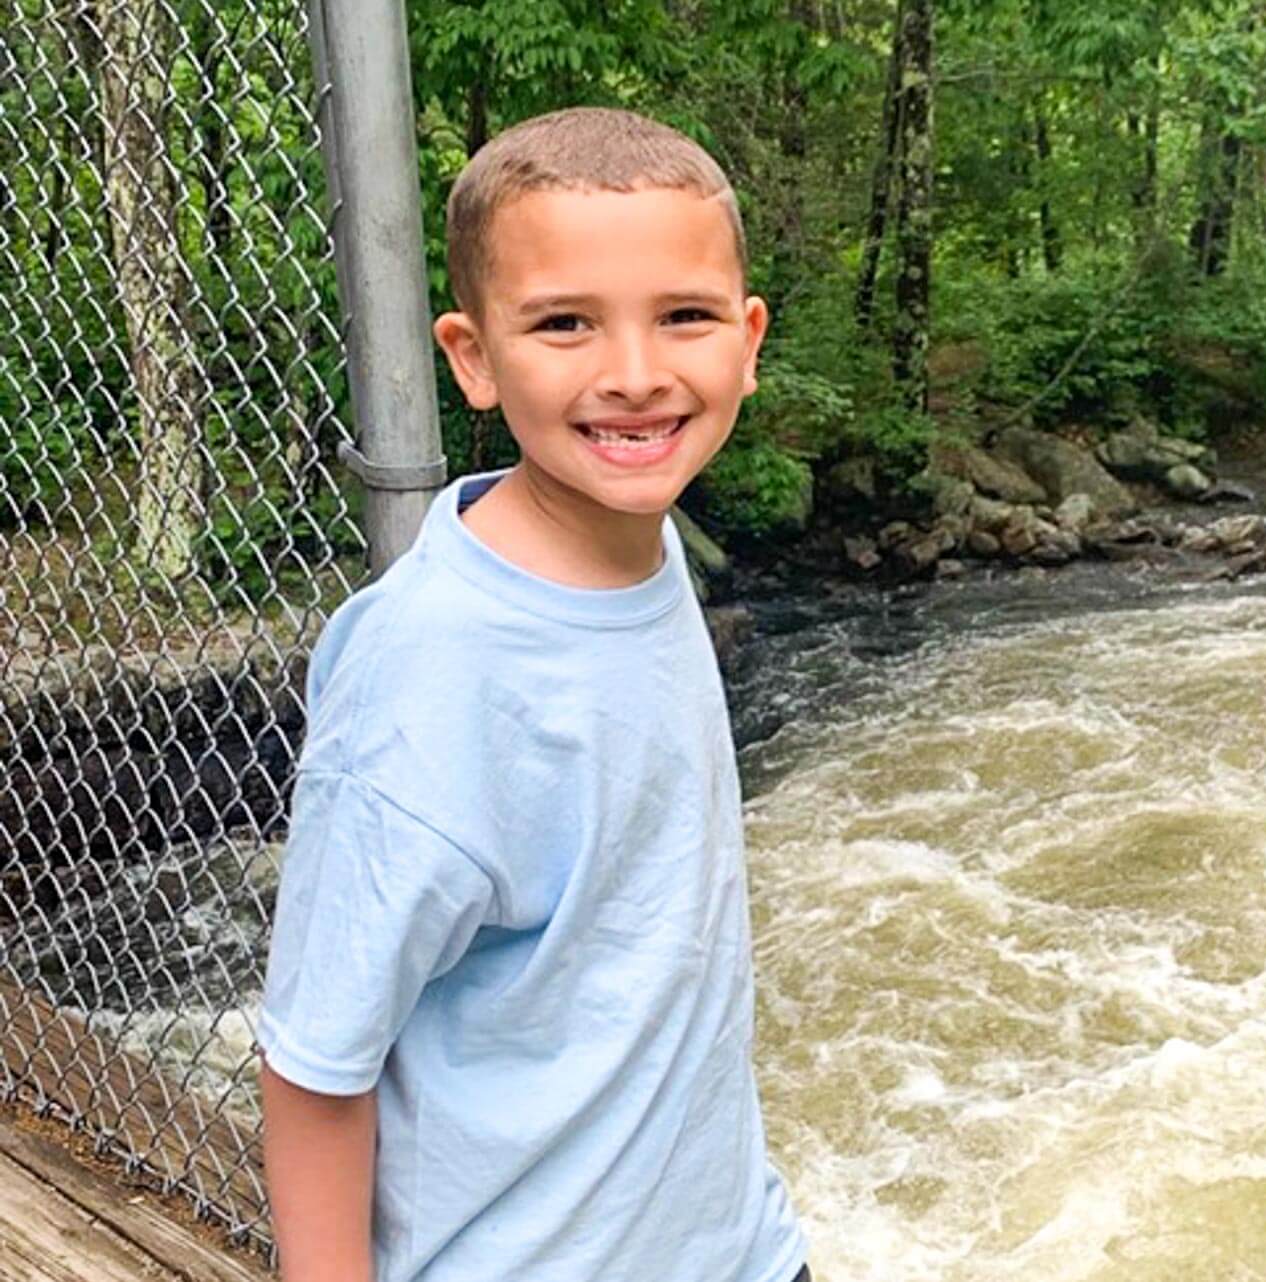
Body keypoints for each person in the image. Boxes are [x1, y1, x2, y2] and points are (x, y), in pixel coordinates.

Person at [256, 107, 807, 1282]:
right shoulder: (433, 675)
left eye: (685, 317)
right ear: (471, 356)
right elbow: (315, 1057)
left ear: (747, 340)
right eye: (563, 324)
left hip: (733, 1248)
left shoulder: (642, 542)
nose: (634, 375)